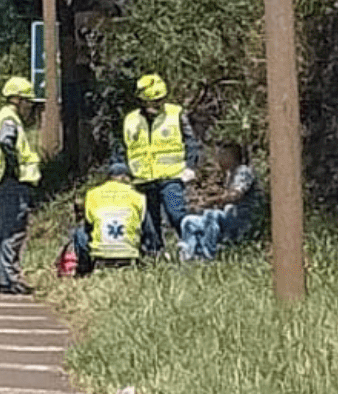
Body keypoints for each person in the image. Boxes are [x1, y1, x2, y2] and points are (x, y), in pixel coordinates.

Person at [114, 73, 200, 256]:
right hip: (142, 179)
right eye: (153, 102)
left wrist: (190, 168)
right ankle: (155, 255)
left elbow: (191, 142)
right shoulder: (131, 120)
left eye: (161, 100)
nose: (158, 105)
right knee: (150, 223)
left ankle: (192, 248)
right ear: (142, 101)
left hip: (171, 177)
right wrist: (122, 172)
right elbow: (123, 148)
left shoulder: (176, 114)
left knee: (176, 214)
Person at [0, 76, 42, 295]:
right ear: (17, 99)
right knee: (13, 232)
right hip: (13, 183)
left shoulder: (5, 116)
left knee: (4, 233)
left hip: (5, 183)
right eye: (27, 101)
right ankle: (11, 279)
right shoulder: (10, 119)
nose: (30, 106)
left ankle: (4, 279)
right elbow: (5, 141)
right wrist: (16, 168)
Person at [179, 142, 263, 261]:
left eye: (222, 155)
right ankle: (189, 255)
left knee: (211, 215)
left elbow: (235, 195)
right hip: (228, 216)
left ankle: (207, 254)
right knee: (188, 222)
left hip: (241, 219)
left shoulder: (243, 171)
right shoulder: (229, 174)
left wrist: (211, 201)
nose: (219, 159)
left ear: (232, 156)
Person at [70, 163, 152, 275]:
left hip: (101, 256)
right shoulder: (138, 197)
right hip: (129, 255)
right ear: (125, 177)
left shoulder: (92, 194)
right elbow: (148, 231)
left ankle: (85, 269)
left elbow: (89, 224)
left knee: (80, 232)